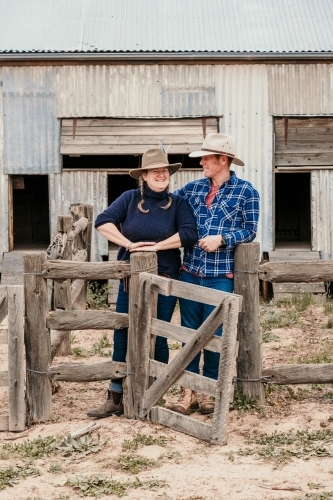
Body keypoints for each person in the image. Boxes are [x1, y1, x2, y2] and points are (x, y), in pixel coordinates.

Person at [87, 147, 198, 418]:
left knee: (156, 334)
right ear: (144, 176)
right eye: (155, 171)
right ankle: (116, 395)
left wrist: (156, 247)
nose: (161, 174)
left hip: (165, 279)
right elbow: (102, 222)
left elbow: (189, 233)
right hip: (130, 281)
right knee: (123, 333)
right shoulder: (128, 199)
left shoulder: (178, 204)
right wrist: (130, 245)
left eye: (165, 171)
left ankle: (152, 392)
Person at [169, 133, 260, 415]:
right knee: (189, 334)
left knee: (215, 336)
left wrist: (222, 238)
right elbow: (167, 209)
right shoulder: (191, 190)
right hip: (190, 271)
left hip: (221, 275)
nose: (202, 163)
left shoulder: (247, 192)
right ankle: (188, 392)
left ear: (223, 160)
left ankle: (208, 391)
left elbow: (250, 230)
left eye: (207, 158)